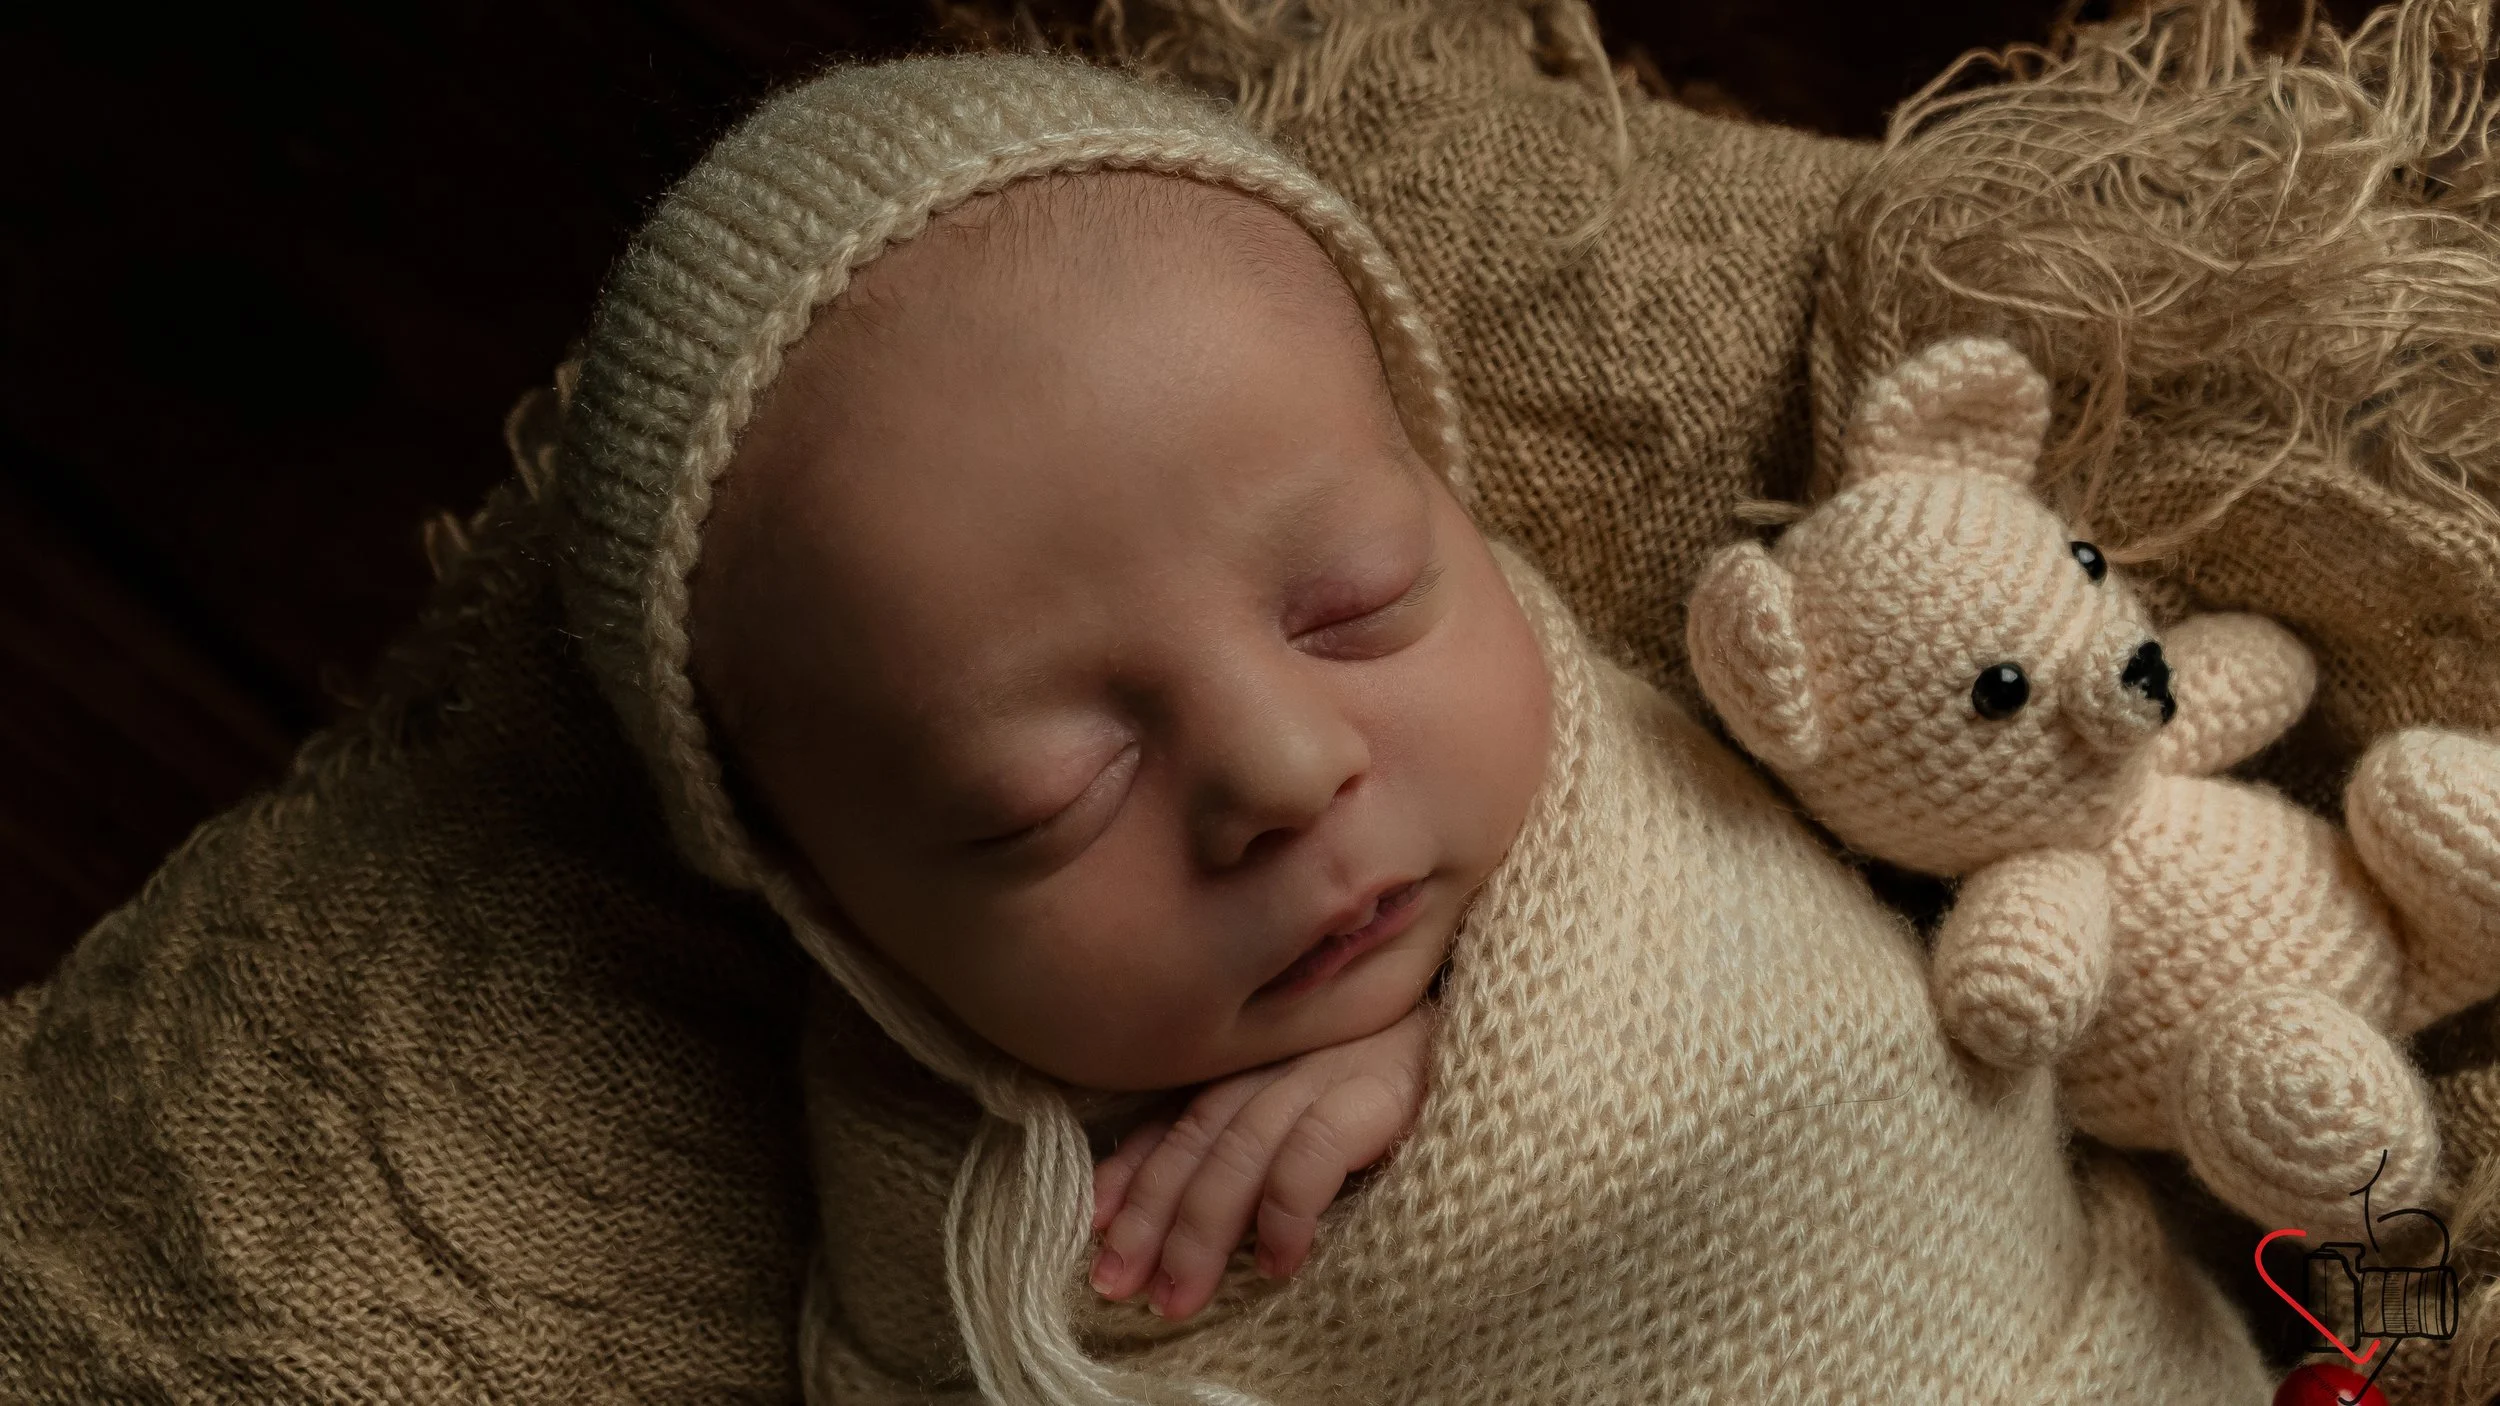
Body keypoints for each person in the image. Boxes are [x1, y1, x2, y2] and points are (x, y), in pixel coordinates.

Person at [557, 50, 2276, 1404]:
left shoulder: (1652, 792)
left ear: (1453, 512)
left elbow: (1830, 1038)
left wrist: (1457, 1058)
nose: (1288, 773)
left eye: (1358, 600)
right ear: (819, 897)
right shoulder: (945, 1257)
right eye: (1050, 794)